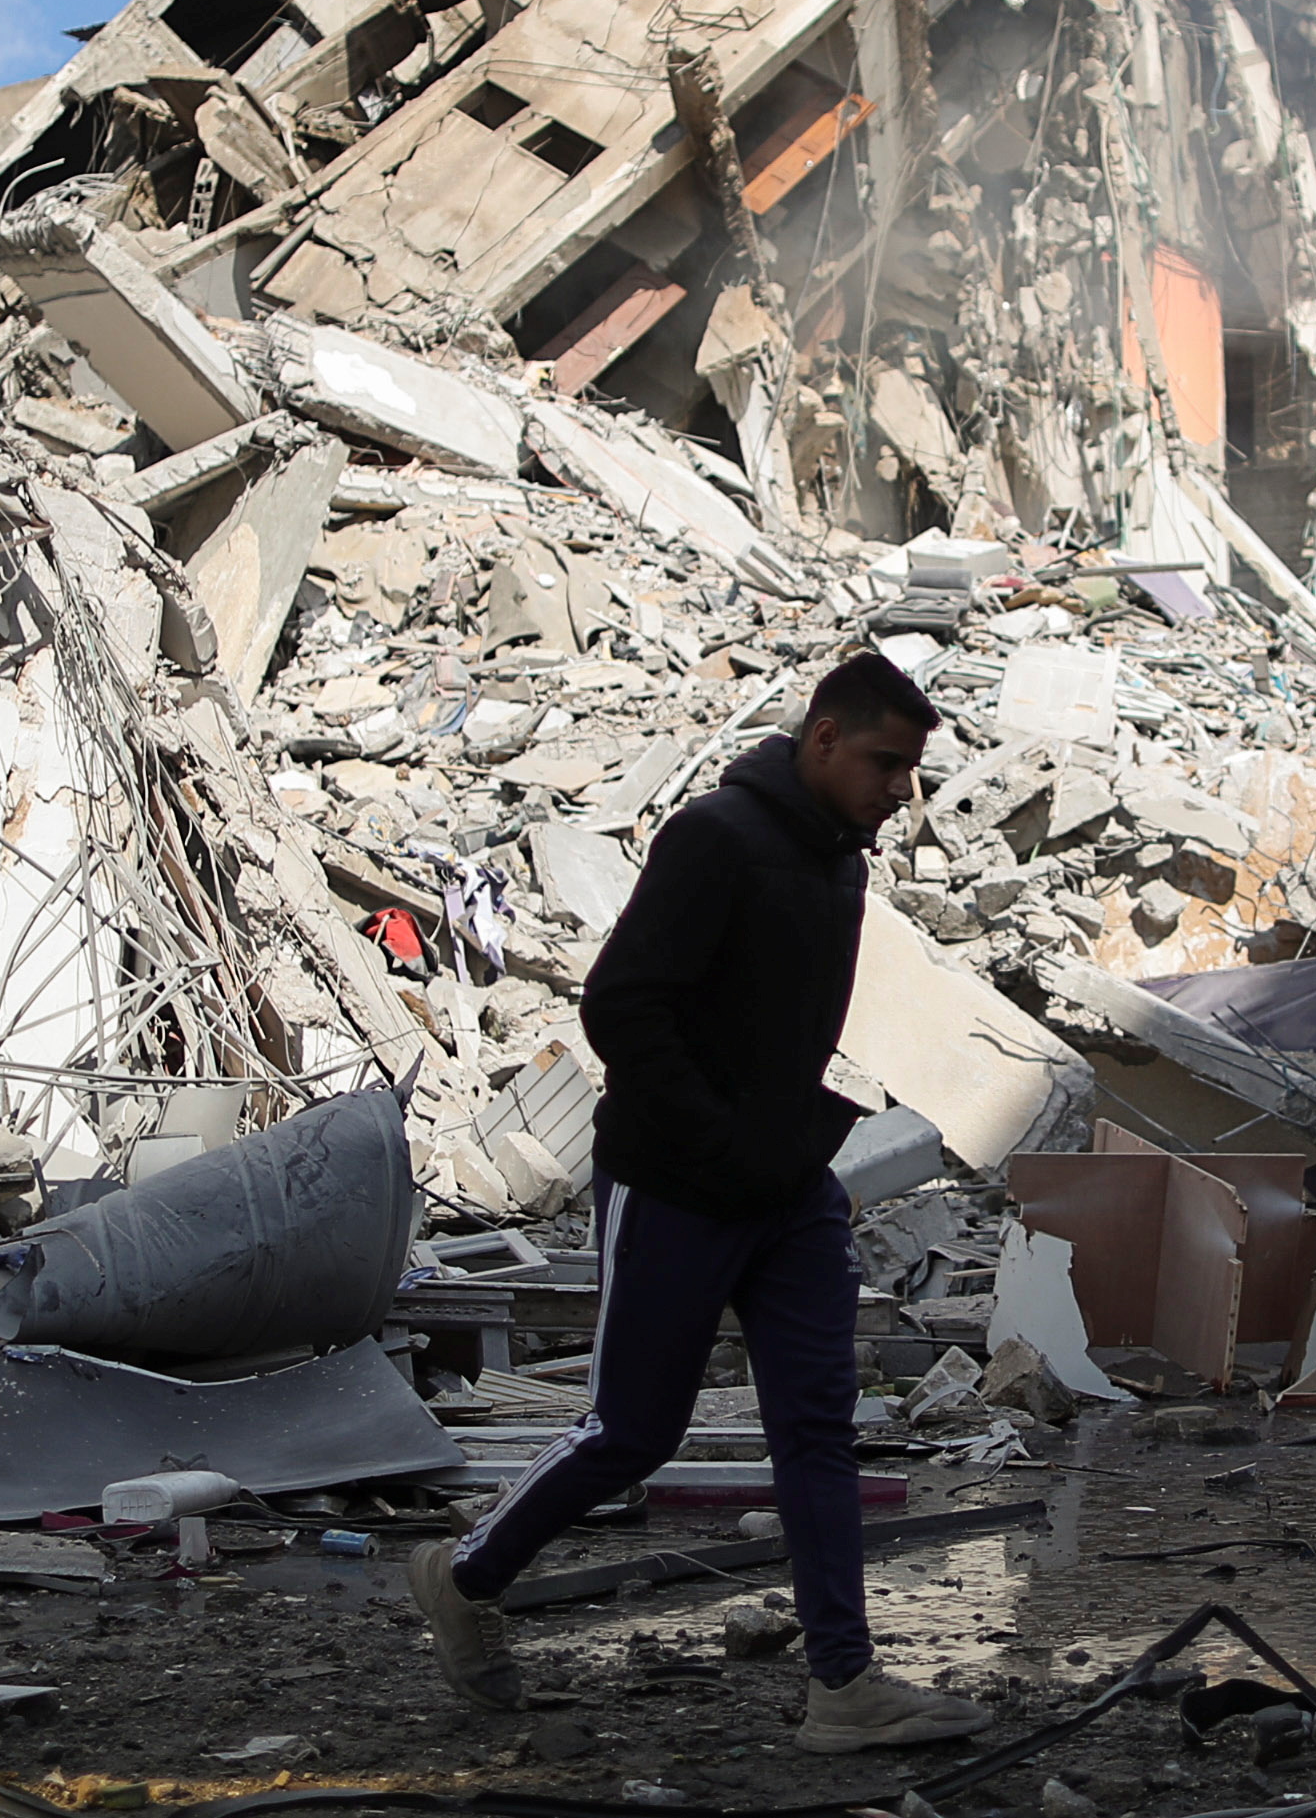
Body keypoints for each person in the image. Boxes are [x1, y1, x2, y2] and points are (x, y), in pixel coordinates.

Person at [408, 651, 988, 1754]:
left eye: (910, 771)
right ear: (821, 739)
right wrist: (717, 1139)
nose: (897, 791)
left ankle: (842, 1684)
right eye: (883, 763)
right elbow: (621, 1007)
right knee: (631, 1431)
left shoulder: (840, 864)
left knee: (817, 1429)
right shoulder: (715, 838)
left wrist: (781, 1144)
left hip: (788, 1191)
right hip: (676, 1183)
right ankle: (465, 1572)